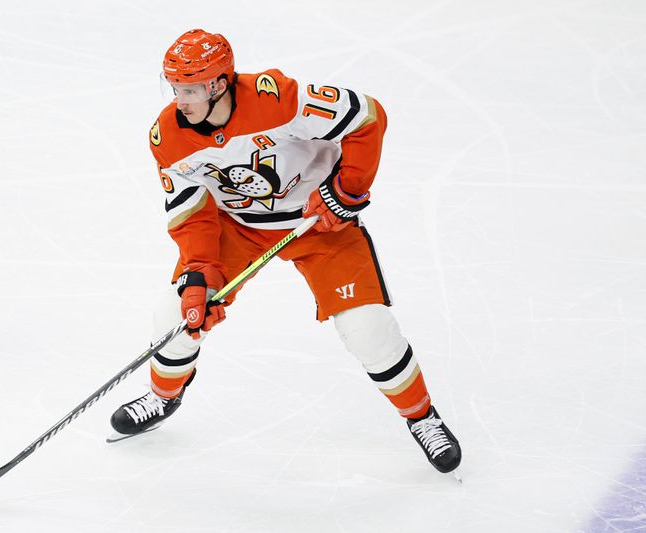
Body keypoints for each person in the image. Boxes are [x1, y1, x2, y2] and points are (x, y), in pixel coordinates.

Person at [109, 29, 461, 475]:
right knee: (177, 313)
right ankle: (162, 398)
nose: (181, 100)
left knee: (367, 327)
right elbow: (191, 210)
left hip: (318, 223)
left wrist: (346, 190)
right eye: (174, 87)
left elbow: (366, 116)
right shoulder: (168, 137)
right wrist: (200, 272)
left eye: (192, 89)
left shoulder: (277, 99)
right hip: (237, 228)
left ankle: (421, 416)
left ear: (219, 83)